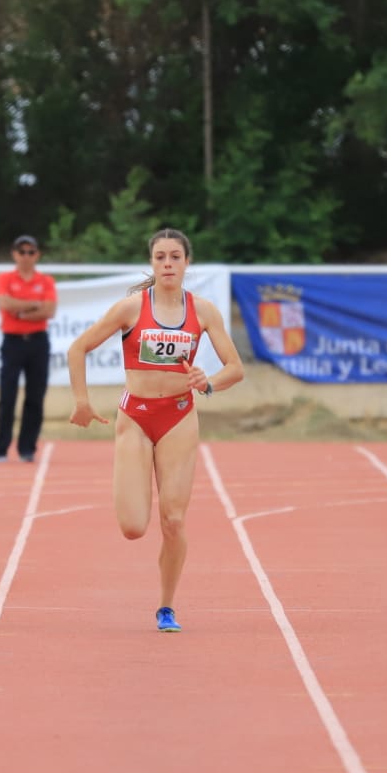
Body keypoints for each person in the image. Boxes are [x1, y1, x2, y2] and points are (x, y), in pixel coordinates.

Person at [67, 227, 244, 632]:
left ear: (187, 263)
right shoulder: (130, 308)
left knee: (175, 520)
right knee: (133, 528)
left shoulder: (203, 311)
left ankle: (166, 606)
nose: (167, 264)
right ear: (152, 263)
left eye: (175, 257)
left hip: (179, 417)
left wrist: (209, 381)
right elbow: (78, 348)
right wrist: (82, 401)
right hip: (136, 418)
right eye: (160, 257)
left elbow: (236, 368)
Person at [0, 234, 58, 464]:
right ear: (14, 254)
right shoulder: (5, 278)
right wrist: (34, 305)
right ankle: (0, 448)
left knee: (35, 396)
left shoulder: (46, 281)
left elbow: (49, 310)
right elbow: (5, 304)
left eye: (30, 252)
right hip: (13, 342)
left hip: (38, 341)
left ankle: (27, 447)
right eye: (21, 252)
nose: (26, 256)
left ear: (37, 255)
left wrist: (21, 310)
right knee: (7, 397)